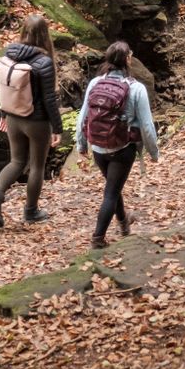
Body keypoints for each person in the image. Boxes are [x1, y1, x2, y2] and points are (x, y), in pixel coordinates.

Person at [74, 41, 159, 249]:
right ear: (128, 59)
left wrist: (81, 144)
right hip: (123, 149)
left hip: (99, 148)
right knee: (111, 192)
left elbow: (83, 116)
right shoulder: (136, 88)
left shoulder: (95, 83)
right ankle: (98, 237)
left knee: (114, 186)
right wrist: (153, 152)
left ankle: (123, 223)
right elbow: (147, 126)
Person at [0, 15, 61, 227]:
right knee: (36, 165)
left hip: (13, 116)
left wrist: (3, 114)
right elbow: (49, 99)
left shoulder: (10, 53)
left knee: (16, 161)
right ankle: (31, 211)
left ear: (23, 31)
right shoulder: (44, 62)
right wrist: (57, 127)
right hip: (36, 121)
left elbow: (4, 86)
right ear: (45, 35)